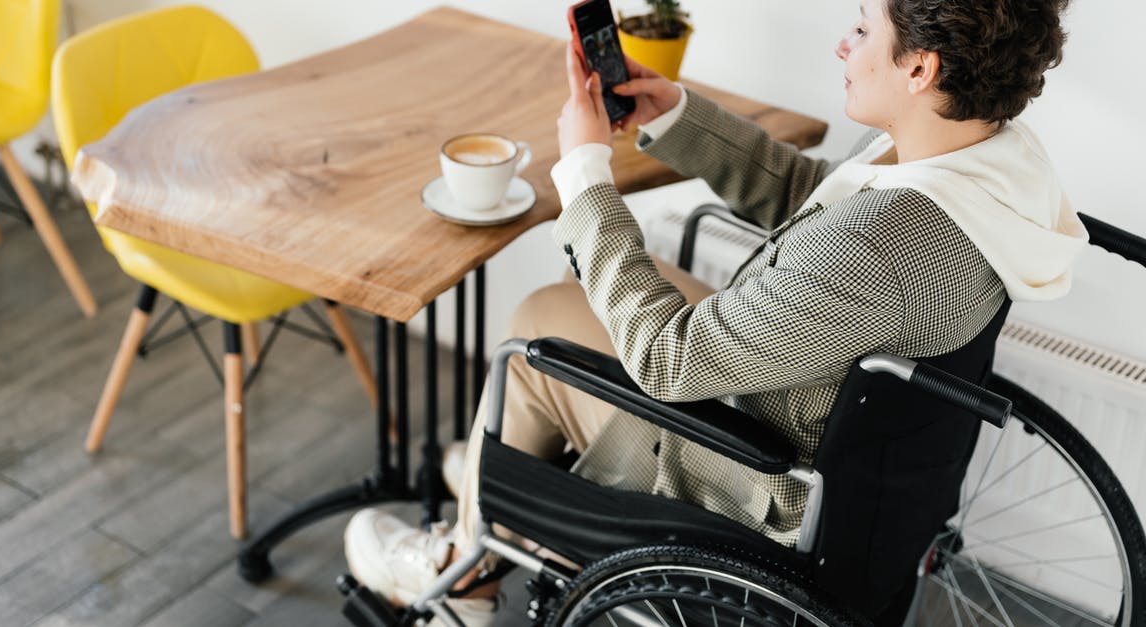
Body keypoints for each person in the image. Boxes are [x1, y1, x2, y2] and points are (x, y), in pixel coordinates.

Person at [344, 0, 1085, 623]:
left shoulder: (884, 248)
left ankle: (462, 580)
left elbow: (669, 361)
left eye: (862, 30)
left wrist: (585, 175)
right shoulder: (978, 156)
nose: (843, 43)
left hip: (755, 469)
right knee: (590, 297)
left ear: (920, 67)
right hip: (827, 413)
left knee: (531, 341)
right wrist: (680, 117)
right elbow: (817, 198)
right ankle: (492, 478)